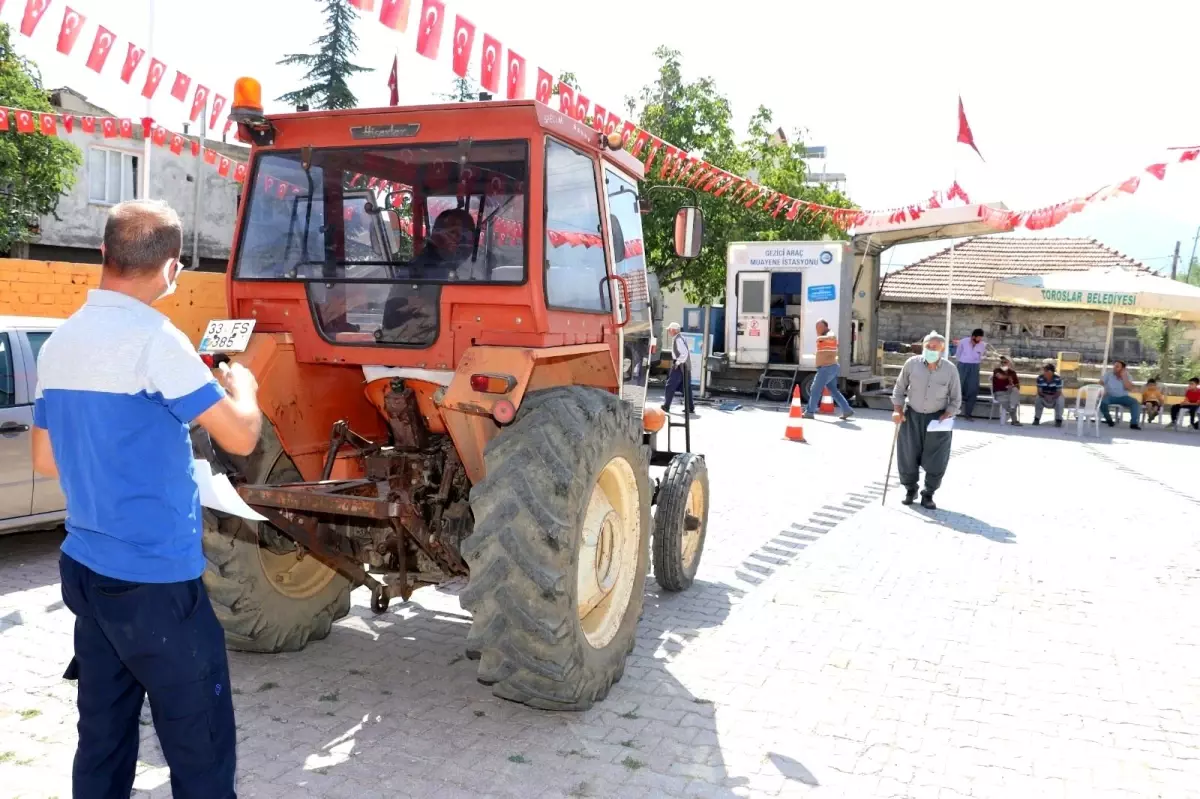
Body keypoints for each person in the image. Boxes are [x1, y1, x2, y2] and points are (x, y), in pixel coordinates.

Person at [30, 200, 264, 799]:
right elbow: (239, 435)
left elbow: (46, 460)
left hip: (85, 570)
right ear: (171, 270)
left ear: (103, 254)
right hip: (157, 584)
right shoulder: (158, 341)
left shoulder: (58, 344)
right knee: (200, 751)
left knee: (102, 740)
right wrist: (244, 388)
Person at [891, 330, 962, 510]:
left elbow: (956, 398)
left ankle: (928, 494)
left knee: (937, 458)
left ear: (942, 349)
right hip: (911, 415)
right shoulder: (911, 364)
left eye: (935, 347)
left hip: (937, 418)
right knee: (908, 455)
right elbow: (899, 389)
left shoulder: (950, 370)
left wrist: (948, 414)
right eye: (928, 346)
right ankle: (910, 489)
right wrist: (897, 410)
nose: (931, 349)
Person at [804, 318, 854, 421]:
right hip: (831, 367)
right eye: (816, 328)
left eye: (819, 327)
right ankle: (847, 410)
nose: (817, 330)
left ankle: (809, 412)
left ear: (825, 327)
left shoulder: (830, 334)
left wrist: (819, 338)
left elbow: (832, 337)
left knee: (815, 389)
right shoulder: (825, 337)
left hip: (827, 368)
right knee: (833, 391)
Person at [661, 322, 694, 416]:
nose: (668, 332)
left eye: (669, 330)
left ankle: (666, 406)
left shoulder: (678, 339)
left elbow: (684, 353)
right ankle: (690, 407)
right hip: (685, 366)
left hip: (680, 365)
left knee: (670, 385)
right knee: (686, 387)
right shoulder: (680, 338)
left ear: (673, 330)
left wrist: (677, 363)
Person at [955, 328, 988, 420]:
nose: (980, 340)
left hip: (974, 366)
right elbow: (958, 354)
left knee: (972, 389)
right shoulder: (963, 342)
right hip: (963, 365)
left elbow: (982, 355)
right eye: (978, 338)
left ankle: (968, 414)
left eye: (981, 338)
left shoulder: (982, 345)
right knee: (958, 387)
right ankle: (952, 411)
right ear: (973, 336)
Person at [1100, 360, 1141, 430]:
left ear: (1122, 369)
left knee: (1135, 402)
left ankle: (1134, 423)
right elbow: (1101, 382)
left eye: (1117, 367)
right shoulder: (1109, 374)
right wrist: (1103, 389)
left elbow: (1128, 388)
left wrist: (1124, 377)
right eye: (1114, 366)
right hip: (1110, 396)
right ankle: (1109, 420)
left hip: (1124, 397)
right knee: (1103, 402)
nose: (1114, 368)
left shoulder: (1128, 375)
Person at [991, 356, 1022, 425]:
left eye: (1005, 362)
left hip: (1009, 392)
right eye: (1001, 362)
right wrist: (1008, 377)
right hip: (1000, 393)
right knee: (1012, 400)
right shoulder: (997, 370)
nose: (1002, 364)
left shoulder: (1013, 373)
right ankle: (1014, 419)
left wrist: (1012, 385)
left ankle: (1012, 408)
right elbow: (999, 376)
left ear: (1009, 363)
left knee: (1015, 391)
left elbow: (1018, 386)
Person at [1033, 363, 1065, 427]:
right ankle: (1037, 419)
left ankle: (1058, 420)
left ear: (1050, 371)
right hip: (1044, 397)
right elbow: (1039, 391)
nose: (1043, 372)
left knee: (1061, 399)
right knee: (1038, 398)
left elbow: (1059, 392)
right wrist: (1045, 396)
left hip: (1054, 397)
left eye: (1045, 371)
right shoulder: (1040, 378)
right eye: (1043, 371)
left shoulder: (1058, 379)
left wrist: (1052, 396)